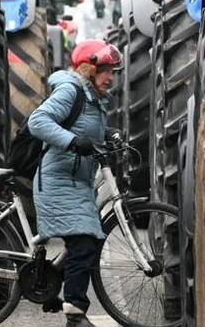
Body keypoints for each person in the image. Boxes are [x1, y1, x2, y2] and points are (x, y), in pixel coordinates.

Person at [26, 39, 123, 326]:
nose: (110, 77)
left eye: (113, 71)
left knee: (86, 240)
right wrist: (72, 141)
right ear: (88, 69)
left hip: (75, 181)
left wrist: (109, 135)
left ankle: (53, 282)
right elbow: (38, 121)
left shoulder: (93, 98)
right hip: (57, 180)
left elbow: (84, 128)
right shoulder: (71, 89)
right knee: (84, 244)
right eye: (105, 70)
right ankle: (75, 314)